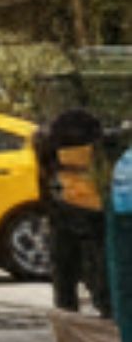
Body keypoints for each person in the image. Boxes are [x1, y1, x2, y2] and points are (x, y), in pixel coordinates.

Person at [41, 100, 109, 320]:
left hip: (65, 210)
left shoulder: (49, 153)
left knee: (65, 274)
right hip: (97, 214)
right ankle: (106, 311)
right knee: (100, 274)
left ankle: (67, 319)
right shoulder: (101, 152)